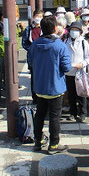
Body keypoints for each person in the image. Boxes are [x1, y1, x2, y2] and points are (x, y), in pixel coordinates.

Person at [28, 16, 72, 154]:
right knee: (54, 116)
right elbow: (66, 67)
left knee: (40, 114)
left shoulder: (35, 44)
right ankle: (53, 144)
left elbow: (30, 63)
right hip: (55, 87)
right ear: (55, 28)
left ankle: (37, 141)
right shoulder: (60, 46)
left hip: (39, 86)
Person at [64, 21, 89, 123]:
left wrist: (82, 64)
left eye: (76, 30)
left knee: (81, 93)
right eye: (72, 30)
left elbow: (88, 58)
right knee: (71, 93)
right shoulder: (66, 41)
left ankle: (82, 113)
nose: (74, 32)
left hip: (80, 71)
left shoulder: (84, 42)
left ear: (80, 32)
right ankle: (73, 112)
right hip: (69, 71)